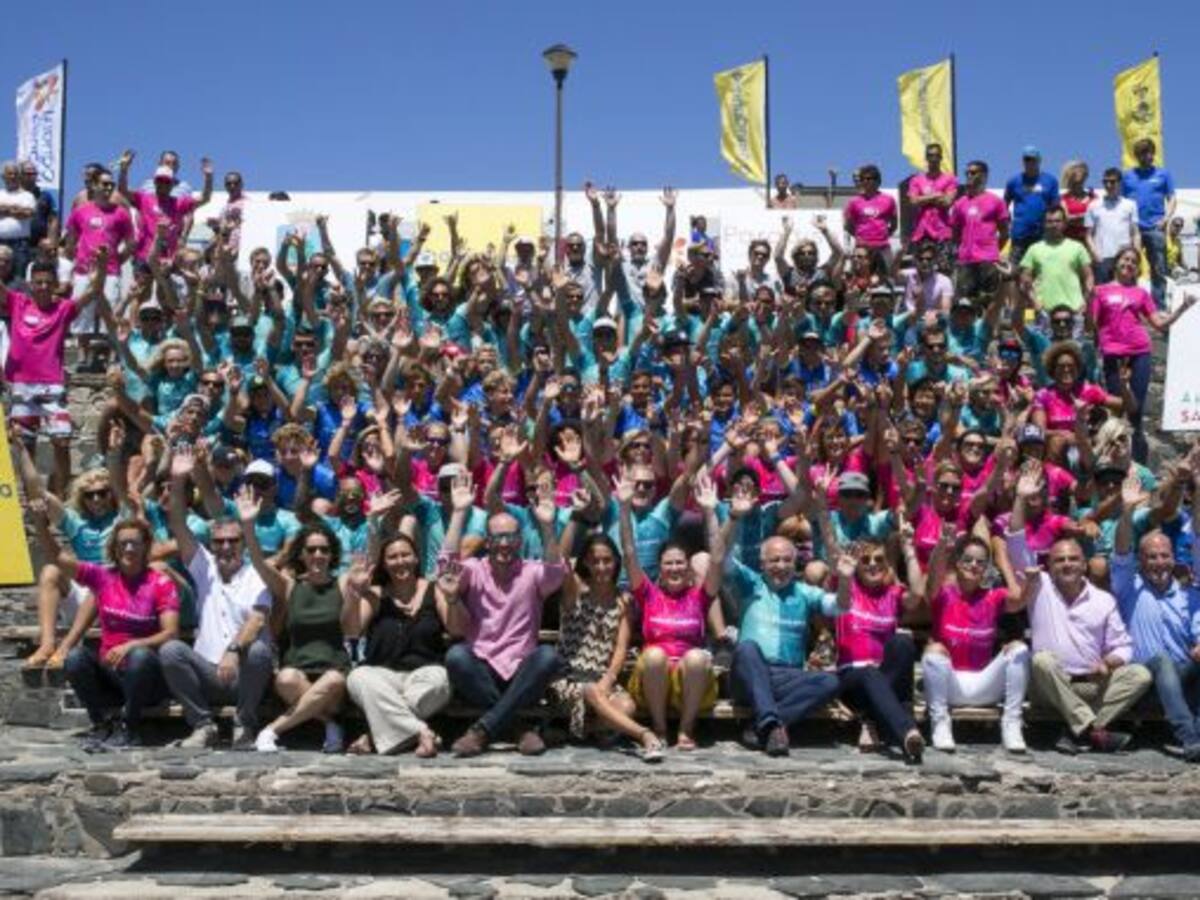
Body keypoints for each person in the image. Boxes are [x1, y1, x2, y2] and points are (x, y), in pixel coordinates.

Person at [439, 471, 568, 758]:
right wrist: (459, 513)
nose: (505, 543)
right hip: (482, 668)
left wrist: (548, 526)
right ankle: (519, 728)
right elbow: (446, 567)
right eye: (498, 537)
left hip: (522, 670)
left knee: (547, 656)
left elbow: (556, 572)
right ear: (487, 541)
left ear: (520, 540)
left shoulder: (532, 572)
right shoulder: (473, 569)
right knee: (456, 657)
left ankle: (482, 730)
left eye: (511, 536)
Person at [31, 504, 179, 751]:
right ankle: (101, 724)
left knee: (140, 656)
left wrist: (132, 645)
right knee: (75, 657)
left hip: (148, 678)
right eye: (123, 544)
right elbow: (59, 559)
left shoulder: (160, 582)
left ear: (145, 547)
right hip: (112, 673)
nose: (129, 549)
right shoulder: (103, 577)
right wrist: (41, 525)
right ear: (115, 548)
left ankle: (130, 728)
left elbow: (171, 633)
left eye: (135, 543)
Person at [160, 446, 275, 749]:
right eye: (219, 542)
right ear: (211, 545)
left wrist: (234, 650)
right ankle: (202, 725)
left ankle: (244, 724)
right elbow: (178, 523)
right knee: (171, 651)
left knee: (260, 650)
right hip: (208, 671)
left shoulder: (257, 573)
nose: (225, 547)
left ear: (243, 545)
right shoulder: (204, 567)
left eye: (233, 541)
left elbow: (258, 619)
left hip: (244, 673)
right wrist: (178, 479)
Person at [724, 480, 848, 755]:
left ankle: (766, 725)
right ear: (762, 564)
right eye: (774, 560)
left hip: (787, 677)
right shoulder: (751, 583)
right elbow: (722, 559)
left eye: (787, 560)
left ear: (795, 563)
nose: (781, 566)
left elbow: (840, 607)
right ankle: (771, 723)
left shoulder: (804, 591)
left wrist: (846, 581)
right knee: (747, 648)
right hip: (750, 675)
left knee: (830, 682)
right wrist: (733, 519)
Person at [236, 488, 365, 753]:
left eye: (324, 549)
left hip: (334, 673)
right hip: (297, 673)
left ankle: (272, 730)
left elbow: (352, 629)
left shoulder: (342, 583)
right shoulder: (289, 586)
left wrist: (356, 591)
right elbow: (259, 564)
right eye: (311, 549)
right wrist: (248, 526)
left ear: (332, 554)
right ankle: (330, 723)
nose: (318, 555)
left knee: (333, 681)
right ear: (302, 554)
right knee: (285, 679)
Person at [1006, 524, 1152, 754]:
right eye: (1059, 560)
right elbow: (1016, 544)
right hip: (1050, 686)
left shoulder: (1103, 600)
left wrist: (1108, 662)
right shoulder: (1038, 586)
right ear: (1049, 566)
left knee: (1140, 675)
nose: (1067, 564)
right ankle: (1092, 730)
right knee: (1042, 660)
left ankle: (1079, 731)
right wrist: (1021, 503)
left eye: (1073, 559)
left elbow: (1123, 646)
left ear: (1084, 565)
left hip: (1090, 683)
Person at [619, 468, 728, 750]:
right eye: (668, 563)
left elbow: (717, 559)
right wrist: (624, 509)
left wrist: (710, 513)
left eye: (680, 563)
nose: (675, 568)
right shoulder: (648, 593)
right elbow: (629, 552)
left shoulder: (700, 596)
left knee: (697, 657)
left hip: (691, 679)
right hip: (652, 678)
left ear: (689, 569)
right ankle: (659, 727)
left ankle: (686, 728)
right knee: (654, 655)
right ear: (660, 569)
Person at [2, 255, 106, 495]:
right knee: (25, 446)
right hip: (21, 386)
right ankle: (33, 499)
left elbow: (93, 290)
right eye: (38, 282)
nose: (43, 287)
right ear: (30, 284)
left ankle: (59, 498)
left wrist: (101, 266)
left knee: (61, 442)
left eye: (48, 282)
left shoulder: (63, 308)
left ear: (56, 285)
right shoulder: (18, 302)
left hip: (52, 385)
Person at [922, 522, 1029, 753]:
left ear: (986, 568)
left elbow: (1019, 600)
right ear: (957, 562)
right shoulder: (943, 595)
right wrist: (942, 545)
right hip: (950, 685)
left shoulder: (993, 596)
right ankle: (940, 723)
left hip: (984, 684)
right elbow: (932, 580)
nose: (973, 565)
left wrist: (1026, 580)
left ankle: (1012, 724)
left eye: (981, 562)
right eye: (968, 559)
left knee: (1019, 648)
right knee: (934, 651)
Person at [345, 532, 452, 757]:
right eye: (392, 557)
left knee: (441, 681)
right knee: (358, 677)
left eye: (405, 555)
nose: (400, 561)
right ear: (384, 564)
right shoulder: (375, 595)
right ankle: (422, 731)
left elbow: (458, 629)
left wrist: (453, 599)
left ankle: (373, 735)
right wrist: (354, 594)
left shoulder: (436, 589)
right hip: (382, 676)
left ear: (416, 558)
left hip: (425, 674)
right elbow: (351, 631)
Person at [1090, 246, 1196, 463]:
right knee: (1116, 407)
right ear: (1116, 262)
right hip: (1113, 355)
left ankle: (1138, 465)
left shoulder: (1141, 293)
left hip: (1139, 353)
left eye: (1133, 262)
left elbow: (1159, 324)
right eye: (1125, 259)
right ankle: (1113, 463)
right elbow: (1090, 325)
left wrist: (1182, 308)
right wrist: (1088, 299)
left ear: (1137, 269)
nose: (1129, 264)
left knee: (1136, 411)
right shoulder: (1100, 291)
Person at [834, 530, 926, 763]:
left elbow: (917, 594)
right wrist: (844, 576)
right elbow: (838, 578)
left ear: (887, 565)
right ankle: (907, 730)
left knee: (902, 642)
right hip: (852, 678)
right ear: (857, 565)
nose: (873, 564)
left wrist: (909, 551)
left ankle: (871, 720)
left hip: (884, 678)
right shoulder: (847, 589)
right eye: (865, 560)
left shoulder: (892, 594)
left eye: (879, 559)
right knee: (869, 672)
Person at [1122, 138, 1175, 309]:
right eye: (1143, 153)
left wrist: (1166, 218)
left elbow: (1172, 198)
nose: (1147, 156)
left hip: (1155, 227)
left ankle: (1158, 306)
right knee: (1130, 266)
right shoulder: (1127, 176)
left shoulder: (1163, 174)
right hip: (1133, 229)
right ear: (1137, 156)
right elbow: (1121, 201)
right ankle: (1131, 303)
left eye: (1150, 153)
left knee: (1158, 268)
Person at [949, 161, 1010, 301]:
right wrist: (963, 250)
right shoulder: (959, 203)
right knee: (965, 305)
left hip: (988, 261)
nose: (969, 176)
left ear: (984, 176)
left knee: (989, 304)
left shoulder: (996, 201)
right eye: (967, 173)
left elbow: (1005, 233)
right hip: (966, 261)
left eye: (973, 172)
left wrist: (992, 251)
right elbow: (955, 234)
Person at [1019, 207, 1093, 317]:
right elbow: (1025, 279)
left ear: (1065, 224)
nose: (1054, 225)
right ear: (1044, 224)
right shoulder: (1034, 249)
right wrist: (1034, 301)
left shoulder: (1078, 247)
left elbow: (1089, 277)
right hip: (1043, 311)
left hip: (1074, 310)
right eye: (1049, 221)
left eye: (1058, 221)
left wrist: (1085, 301)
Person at [1004, 146, 1059, 264]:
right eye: (1027, 159)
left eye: (1033, 159)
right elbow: (1004, 205)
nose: (1030, 162)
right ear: (1023, 161)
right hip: (1020, 234)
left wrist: (1053, 227)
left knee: (1042, 267)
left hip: (1043, 233)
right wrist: (1007, 223)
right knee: (1015, 268)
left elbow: (1055, 207)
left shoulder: (1051, 180)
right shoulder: (1013, 181)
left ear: (1039, 160)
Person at [1085, 168, 1140, 284]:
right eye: (1105, 182)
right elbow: (1088, 235)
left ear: (1120, 183)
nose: (1108, 185)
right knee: (1103, 293)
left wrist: (1136, 256)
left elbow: (1135, 233)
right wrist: (1095, 255)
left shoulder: (1130, 205)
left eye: (1112, 182)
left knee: (1126, 293)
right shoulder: (1093, 205)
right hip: (1102, 258)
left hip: (1125, 259)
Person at [907, 143, 957, 261]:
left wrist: (923, 199)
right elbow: (913, 201)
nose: (933, 159)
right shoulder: (916, 180)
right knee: (922, 268)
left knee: (944, 268)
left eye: (936, 155)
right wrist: (936, 195)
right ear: (926, 158)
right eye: (930, 155)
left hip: (943, 232)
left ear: (941, 157)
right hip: (922, 232)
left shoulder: (950, 179)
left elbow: (947, 202)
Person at [0, 162, 36, 278]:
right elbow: (21, 212)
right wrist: (16, 208)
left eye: (15, 174)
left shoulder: (28, 196)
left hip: (20, 244)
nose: (13, 176)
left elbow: (27, 214)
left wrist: (5, 209)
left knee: (19, 276)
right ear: (3, 176)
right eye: (10, 174)